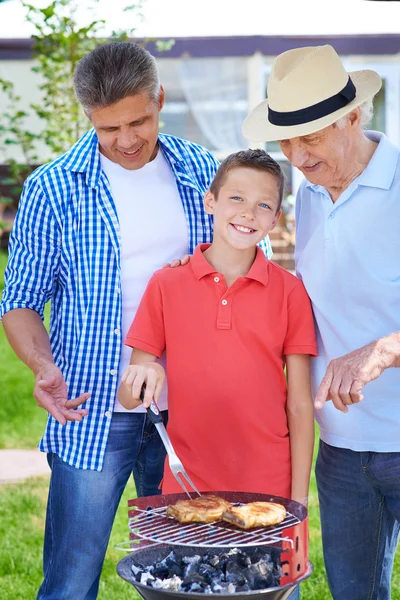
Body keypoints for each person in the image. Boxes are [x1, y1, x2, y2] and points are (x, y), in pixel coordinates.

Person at [0, 42, 272, 600]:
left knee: (192, 572)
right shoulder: (52, 189)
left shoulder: (204, 171)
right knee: (71, 579)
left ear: (160, 100)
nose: (125, 140)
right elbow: (21, 298)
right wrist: (42, 364)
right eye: (108, 129)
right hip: (93, 406)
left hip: (193, 408)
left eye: (138, 121)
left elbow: (248, 273)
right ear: (88, 119)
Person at [242, 44, 400, 600]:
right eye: (286, 139)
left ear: (355, 115)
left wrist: (382, 349)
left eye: (311, 136)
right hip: (341, 448)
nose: (297, 155)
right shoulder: (307, 196)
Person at [118, 148, 317, 508]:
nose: (247, 213)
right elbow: (130, 396)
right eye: (237, 198)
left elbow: (300, 405)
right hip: (186, 480)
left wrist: (299, 499)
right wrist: (140, 378)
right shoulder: (166, 284)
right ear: (210, 201)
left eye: (263, 205)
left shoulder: (291, 292)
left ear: (275, 220)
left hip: (268, 483)